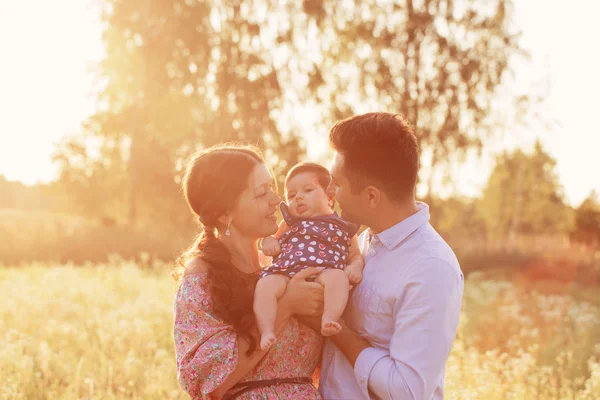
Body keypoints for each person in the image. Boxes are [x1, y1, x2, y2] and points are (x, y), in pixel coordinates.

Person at [318, 113, 465, 400]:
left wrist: (335, 330)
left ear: (372, 196)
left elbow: (407, 391)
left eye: (337, 183)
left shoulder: (431, 269)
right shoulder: (360, 245)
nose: (329, 192)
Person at [173, 144, 324, 400]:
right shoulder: (202, 276)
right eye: (261, 192)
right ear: (224, 213)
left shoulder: (285, 266)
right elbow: (210, 383)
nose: (276, 201)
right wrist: (284, 308)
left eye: (273, 189)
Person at [254, 162, 364, 350]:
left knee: (339, 279)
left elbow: (355, 255)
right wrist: (268, 242)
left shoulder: (343, 226)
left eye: (307, 190)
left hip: (324, 273)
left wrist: (354, 267)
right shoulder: (289, 223)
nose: (299, 198)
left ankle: (329, 317)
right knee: (265, 285)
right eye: (292, 195)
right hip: (286, 273)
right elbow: (271, 239)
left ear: (330, 197)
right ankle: (266, 330)